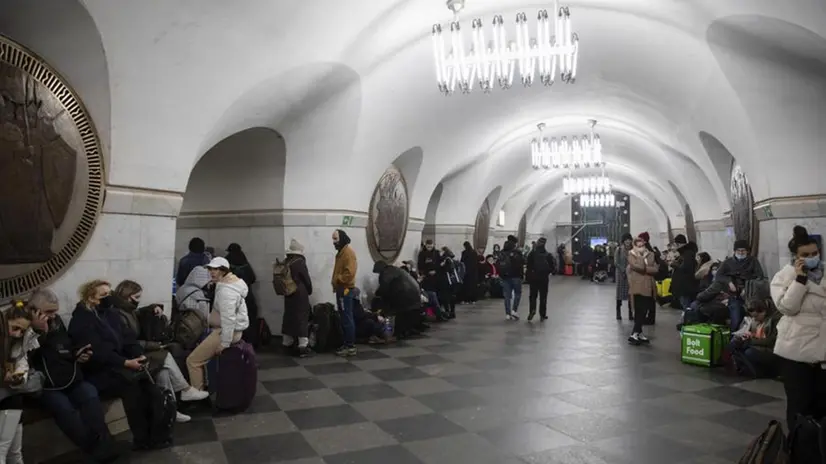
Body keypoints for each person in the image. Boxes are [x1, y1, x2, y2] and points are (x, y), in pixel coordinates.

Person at [26, 289, 124, 462]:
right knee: (64, 408)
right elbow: (26, 358)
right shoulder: (25, 328)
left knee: (90, 394)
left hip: (69, 375)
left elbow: (66, 347)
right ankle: (93, 448)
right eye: (48, 312)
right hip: (47, 385)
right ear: (34, 310)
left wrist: (78, 354)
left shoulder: (57, 323)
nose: (52, 316)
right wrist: (39, 333)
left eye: (54, 312)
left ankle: (104, 444)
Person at [67, 280, 161, 450]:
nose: (108, 298)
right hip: (97, 371)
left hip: (116, 365)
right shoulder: (81, 319)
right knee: (130, 384)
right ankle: (142, 439)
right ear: (91, 299)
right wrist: (125, 362)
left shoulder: (110, 314)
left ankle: (155, 433)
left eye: (109, 294)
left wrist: (137, 354)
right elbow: (97, 351)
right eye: (103, 295)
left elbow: (127, 338)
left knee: (146, 381)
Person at [111, 281, 208, 422]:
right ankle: (186, 390)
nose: (138, 301)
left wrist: (153, 307)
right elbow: (127, 342)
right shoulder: (118, 315)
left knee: (164, 372)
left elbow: (138, 314)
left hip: (136, 350)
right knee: (165, 354)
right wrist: (154, 345)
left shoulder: (126, 309)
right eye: (137, 297)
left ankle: (170, 409)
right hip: (129, 356)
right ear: (127, 296)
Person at [770, 225, 826, 429]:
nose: (812, 257)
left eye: (815, 253)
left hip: (823, 351)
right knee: (800, 406)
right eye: (806, 254)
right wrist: (800, 280)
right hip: (796, 352)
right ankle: (798, 451)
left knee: (822, 407)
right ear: (796, 256)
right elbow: (787, 307)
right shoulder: (784, 276)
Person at [186, 257, 250, 390]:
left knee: (193, 361)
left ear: (224, 271)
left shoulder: (227, 291)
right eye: (210, 269)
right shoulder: (229, 283)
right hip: (226, 331)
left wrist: (225, 343)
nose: (211, 272)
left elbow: (228, 319)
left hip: (225, 333)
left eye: (215, 269)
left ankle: (198, 395)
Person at [0, 303, 34, 463]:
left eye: (22, 331)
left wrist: (20, 375)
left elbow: (21, 359)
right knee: (3, 449)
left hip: (6, 393)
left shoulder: (14, 340)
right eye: (15, 328)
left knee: (13, 452)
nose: (17, 334)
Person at [715, 239, 765, 331]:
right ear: (734, 251)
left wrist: (748, 287)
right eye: (738, 251)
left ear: (747, 251)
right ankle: (733, 337)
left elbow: (760, 277)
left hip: (750, 295)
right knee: (736, 317)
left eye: (743, 251)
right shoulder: (728, 262)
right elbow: (718, 276)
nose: (741, 253)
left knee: (755, 318)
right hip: (734, 295)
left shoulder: (753, 261)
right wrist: (729, 282)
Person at [729, 298, 780, 378]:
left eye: (756, 316)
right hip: (757, 345)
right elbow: (755, 335)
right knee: (735, 343)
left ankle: (761, 372)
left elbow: (771, 341)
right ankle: (751, 370)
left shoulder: (773, 321)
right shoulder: (756, 321)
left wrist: (750, 341)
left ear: (763, 311)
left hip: (770, 350)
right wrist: (748, 336)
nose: (754, 319)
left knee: (749, 352)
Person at [280, 239, 314, 357]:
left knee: (289, 317)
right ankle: (302, 346)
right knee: (302, 317)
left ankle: (287, 343)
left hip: (288, 293)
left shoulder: (286, 262)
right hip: (300, 293)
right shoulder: (299, 262)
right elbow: (306, 279)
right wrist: (309, 290)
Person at [373, 261, 424, 337]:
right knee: (405, 312)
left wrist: (377, 294)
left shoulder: (386, 273)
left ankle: (397, 331)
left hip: (405, 297)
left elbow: (384, 288)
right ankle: (407, 329)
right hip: (414, 295)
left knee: (396, 310)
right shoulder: (396, 269)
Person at [225, 243, 260, 345]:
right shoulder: (244, 262)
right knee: (250, 320)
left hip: (233, 298)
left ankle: (236, 343)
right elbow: (253, 278)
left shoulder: (227, 262)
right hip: (248, 297)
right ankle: (251, 343)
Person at [627, 236, 658, 345]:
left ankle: (638, 333)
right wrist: (641, 257)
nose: (641, 248)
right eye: (638, 246)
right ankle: (635, 333)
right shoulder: (631, 255)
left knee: (644, 310)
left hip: (649, 286)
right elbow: (638, 267)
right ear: (634, 246)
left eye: (642, 245)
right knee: (639, 310)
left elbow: (655, 269)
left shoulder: (651, 254)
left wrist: (645, 269)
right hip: (637, 287)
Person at [331, 229, 358, 357]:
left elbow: (350, 273)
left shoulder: (347, 253)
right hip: (341, 289)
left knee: (347, 317)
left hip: (345, 289)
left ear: (341, 238)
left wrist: (338, 279)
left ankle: (350, 346)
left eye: (335, 239)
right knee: (344, 316)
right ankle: (347, 343)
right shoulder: (342, 252)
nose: (334, 242)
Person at [525, 237, 554, 321]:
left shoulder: (532, 253)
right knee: (543, 297)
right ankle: (542, 314)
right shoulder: (547, 254)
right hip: (544, 278)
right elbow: (552, 267)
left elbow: (528, 265)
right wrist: (547, 272)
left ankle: (532, 310)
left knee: (533, 296)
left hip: (534, 278)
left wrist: (530, 275)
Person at [498, 236, 525, 320]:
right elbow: (523, 262)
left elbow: (498, 263)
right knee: (517, 293)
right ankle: (514, 310)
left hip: (505, 277)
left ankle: (507, 314)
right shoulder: (517, 252)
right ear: (515, 243)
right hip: (516, 276)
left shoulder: (502, 252)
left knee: (507, 296)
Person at [670, 234, 699, 310]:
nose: (674, 246)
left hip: (685, 287)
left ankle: (689, 320)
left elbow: (686, 268)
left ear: (680, 244)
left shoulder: (688, 254)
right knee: (685, 306)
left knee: (687, 307)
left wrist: (675, 265)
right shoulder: (684, 253)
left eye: (675, 244)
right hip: (684, 286)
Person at [615, 233, 633, 320]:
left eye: (629, 240)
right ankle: (618, 312)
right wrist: (623, 270)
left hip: (630, 274)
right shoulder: (618, 250)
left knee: (630, 294)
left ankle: (630, 313)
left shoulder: (633, 250)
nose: (628, 241)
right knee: (619, 294)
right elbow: (616, 262)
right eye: (626, 240)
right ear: (623, 241)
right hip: (621, 275)